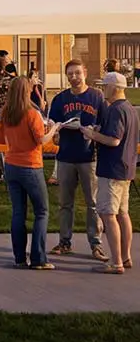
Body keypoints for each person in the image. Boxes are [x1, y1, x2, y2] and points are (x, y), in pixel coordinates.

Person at [48, 59, 106, 260]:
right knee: (65, 203)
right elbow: (53, 125)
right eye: (70, 74)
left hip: (89, 157)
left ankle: (96, 243)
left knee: (93, 203)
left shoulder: (96, 97)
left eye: (77, 73)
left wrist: (94, 131)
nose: (74, 77)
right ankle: (65, 242)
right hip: (65, 156)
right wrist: (56, 131)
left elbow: (104, 124)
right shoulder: (60, 99)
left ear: (85, 73)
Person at [83, 71, 138, 275]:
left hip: (112, 168)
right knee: (123, 213)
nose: (102, 89)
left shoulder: (115, 110)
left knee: (108, 213)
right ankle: (125, 256)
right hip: (126, 168)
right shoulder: (129, 108)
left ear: (114, 88)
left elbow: (114, 140)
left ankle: (116, 262)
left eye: (104, 85)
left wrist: (92, 134)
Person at [1, 76, 58, 270]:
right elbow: (41, 140)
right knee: (41, 211)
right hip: (31, 165)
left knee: (18, 212)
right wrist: (54, 129)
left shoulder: (6, 113)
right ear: (27, 92)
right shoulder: (31, 114)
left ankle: (19, 257)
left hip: (11, 164)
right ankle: (38, 258)